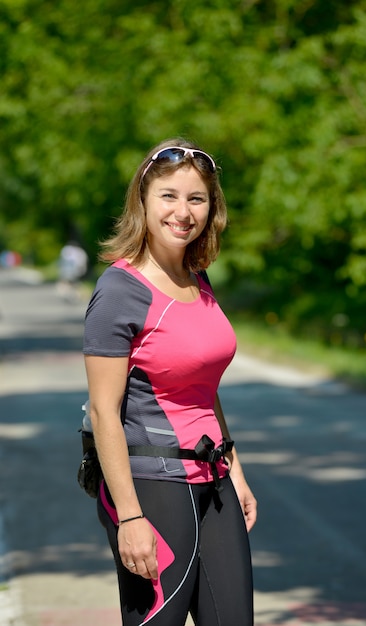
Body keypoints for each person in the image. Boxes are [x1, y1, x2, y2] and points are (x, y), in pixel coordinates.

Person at [83, 138, 257, 626]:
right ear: (143, 199)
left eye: (196, 199)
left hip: (214, 479)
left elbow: (204, 387)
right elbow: (103, 413)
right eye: (169, 196)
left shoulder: (199, 280)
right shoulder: (120, 291)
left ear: (211, 208)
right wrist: (131, 516)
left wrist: (236, 470)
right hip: (152, 483)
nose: (183, 211)